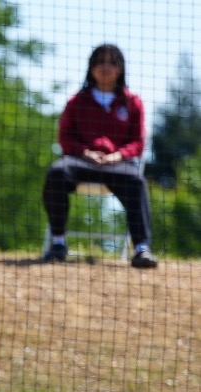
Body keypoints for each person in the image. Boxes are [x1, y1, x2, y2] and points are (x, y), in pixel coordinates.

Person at [42, 44, 157, 268]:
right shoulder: (77, 101)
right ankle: (58, 243)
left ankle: (141, 248)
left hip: (117, 165)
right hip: (81, 161)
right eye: (100, 62)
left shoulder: (132, 103)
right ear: (91, 68)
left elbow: (138, 142)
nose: (106, 67)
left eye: (112, 62)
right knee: (56, 173)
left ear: (120, 69)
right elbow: (65, 137)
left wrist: (118, 155)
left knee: (136, 182)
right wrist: (85, 153)